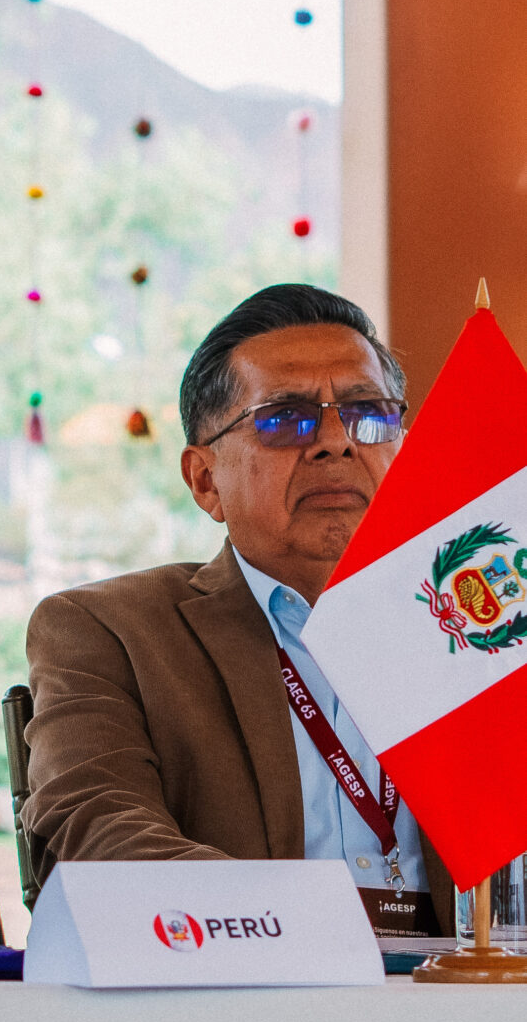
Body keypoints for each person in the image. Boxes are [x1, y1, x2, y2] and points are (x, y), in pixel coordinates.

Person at [24, 281, 455, 936]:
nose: (337, 442)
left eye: (368, 413)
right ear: (205, 480)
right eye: (285, 418)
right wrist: (307, 929)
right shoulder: (109, 631)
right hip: (249, 985)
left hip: (474, 988)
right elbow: (102, 834)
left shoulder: (481, 627)